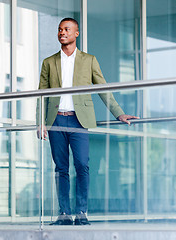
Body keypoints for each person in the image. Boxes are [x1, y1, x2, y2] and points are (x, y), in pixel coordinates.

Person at [37, 17, 138, 225]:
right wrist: (40, 122)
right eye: (59, 29)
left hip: (79, 121)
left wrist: (118, 113)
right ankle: (64, 214)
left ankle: (81, 212)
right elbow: (42, 94)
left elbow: (102, 88)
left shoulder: (89, 60)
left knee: (82, 165)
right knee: (61, 168)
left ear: (76, 33)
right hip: (55, 120)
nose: (61, 33)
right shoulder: (49, 62)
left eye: (66, 29)